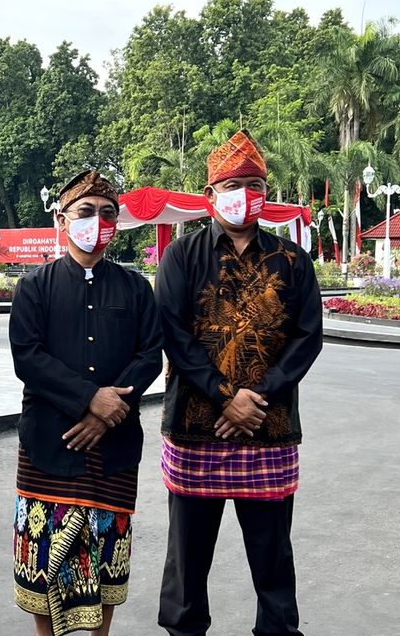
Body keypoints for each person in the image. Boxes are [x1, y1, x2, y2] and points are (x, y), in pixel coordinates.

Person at [154, 130, 323, 636]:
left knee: (273, 557)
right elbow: (174, 336)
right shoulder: (181, 257)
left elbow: (307, 337)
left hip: (267, 427)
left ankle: (277, 630)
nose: (243, 193)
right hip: (194, 426)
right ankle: (184, 631)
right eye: (232, 183)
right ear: (210, 195)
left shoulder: (293, 261)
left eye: (253, 183)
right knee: (188, 558)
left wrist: (259, 395)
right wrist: (226, 397)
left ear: (265, 192)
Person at [9, 170, 164, 636]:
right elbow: (28, 357)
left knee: (106, 564)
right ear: (61, 219)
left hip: (113, 448)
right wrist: (89, 400)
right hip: (48, 445)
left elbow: (150, 354)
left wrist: (107, 411)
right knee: (43, 567)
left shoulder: (136, 288)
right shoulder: (35, 286)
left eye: (107, 213)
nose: (97, 221)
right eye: (85, 212)